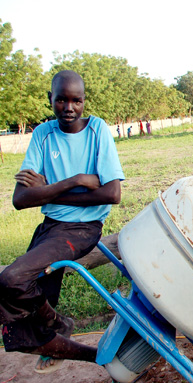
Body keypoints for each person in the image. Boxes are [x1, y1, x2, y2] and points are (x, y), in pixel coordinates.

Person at [0, 70, 124, 373]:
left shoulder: (97, 131)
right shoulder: (43, 134)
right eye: (61, 100)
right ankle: (91, 352)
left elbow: (112, 193)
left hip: (81, 230)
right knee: (20, 330)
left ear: (84, 101)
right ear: (50, 100)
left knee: (11, 279)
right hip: (50, 229)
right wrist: (75, 181)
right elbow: (20, 199)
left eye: (76, 100)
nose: (69, 107)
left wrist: (46, 190)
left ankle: (58, 322)